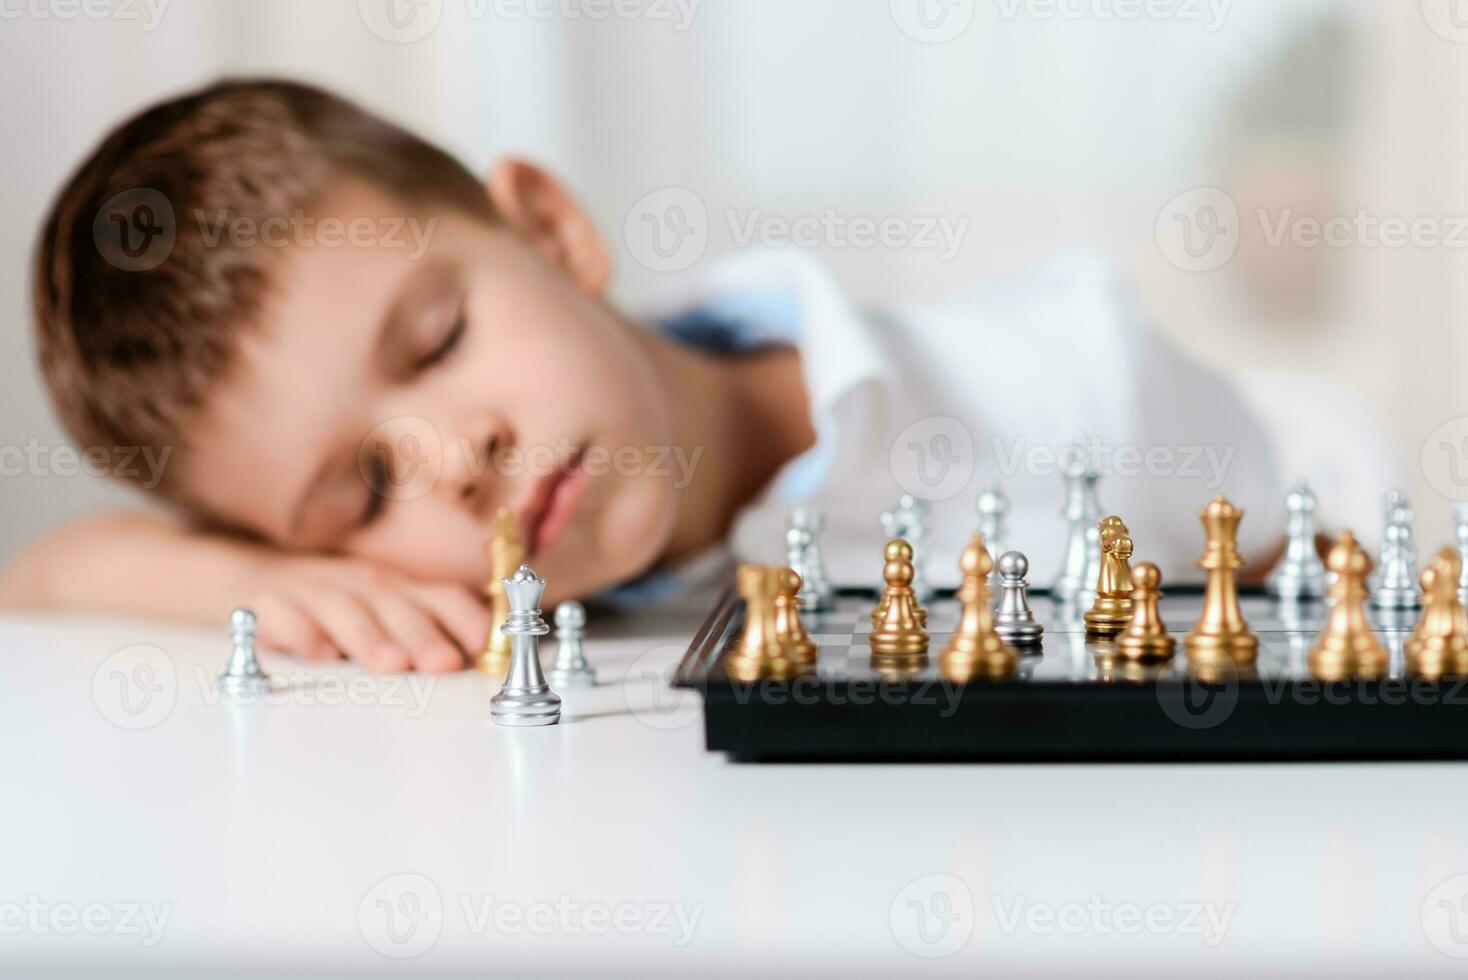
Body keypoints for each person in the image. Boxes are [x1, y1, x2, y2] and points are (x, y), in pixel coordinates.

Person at [0, 79, 1287, 672]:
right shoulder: (469, 601)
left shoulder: (1072, 372)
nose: (455, 463)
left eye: (438, 340)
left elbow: (1297, 559)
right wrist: (252, 580)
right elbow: (41, 577)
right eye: (362, 488)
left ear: (551, 228)